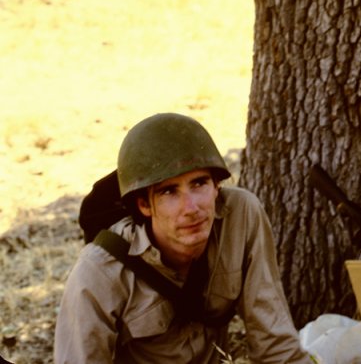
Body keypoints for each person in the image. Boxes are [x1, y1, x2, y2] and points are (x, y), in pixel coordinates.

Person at [54, 112, 312, 363]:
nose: (191, 208)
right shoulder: (100, 270)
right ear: (145, 205)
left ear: (216, 186)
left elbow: (276, 346)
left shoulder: (241, 216)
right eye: (169, 192)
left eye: (199, 183)